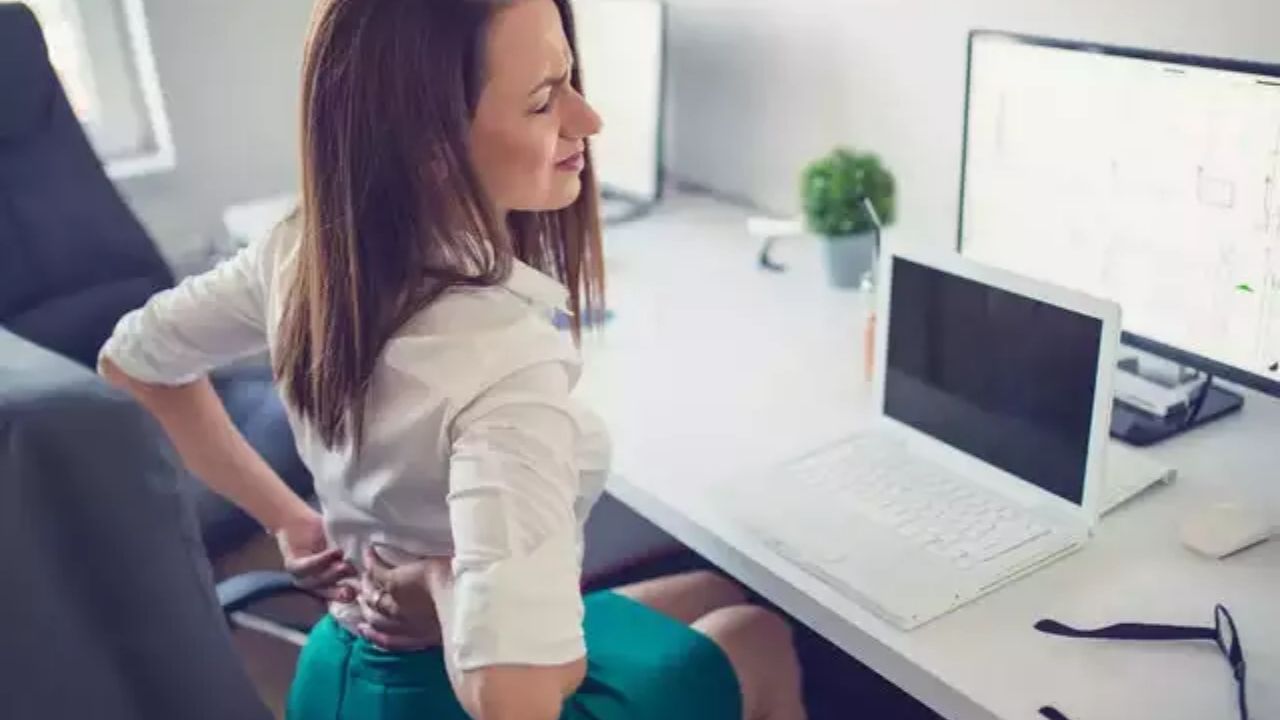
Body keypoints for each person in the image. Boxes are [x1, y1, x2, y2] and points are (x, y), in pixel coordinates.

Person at [98, 0, 806, 718]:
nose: (586, 119)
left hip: (339, 666)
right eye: (542, 102)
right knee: (756, 635)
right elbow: (513, 700)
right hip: (441, 689)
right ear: (430, 149)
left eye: (569, 80)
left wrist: (290, 521)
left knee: (712, 594)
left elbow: (132, 360)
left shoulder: (307, 248)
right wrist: (439, 583)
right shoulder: (502, 369)